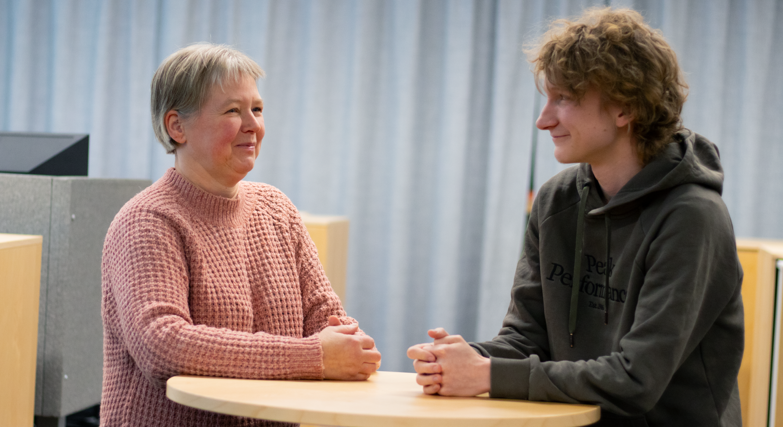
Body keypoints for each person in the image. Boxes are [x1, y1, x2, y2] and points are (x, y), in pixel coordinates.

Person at [407, 7, 743, 426]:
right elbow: (527, 338)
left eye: (564, 98)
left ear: (624, 109)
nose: (543, 120)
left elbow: (637, 379)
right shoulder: (556, 201)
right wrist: (463, 360)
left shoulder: (693, 217)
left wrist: (487, 375)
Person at [100, 43, 381, 427]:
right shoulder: (146, 221)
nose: (253, 125)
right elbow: (163, 345)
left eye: (258, 109)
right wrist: (315, 357)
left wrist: (351, 347)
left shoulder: (276, 208)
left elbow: (326, 318)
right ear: (176, 126)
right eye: (233, 110)